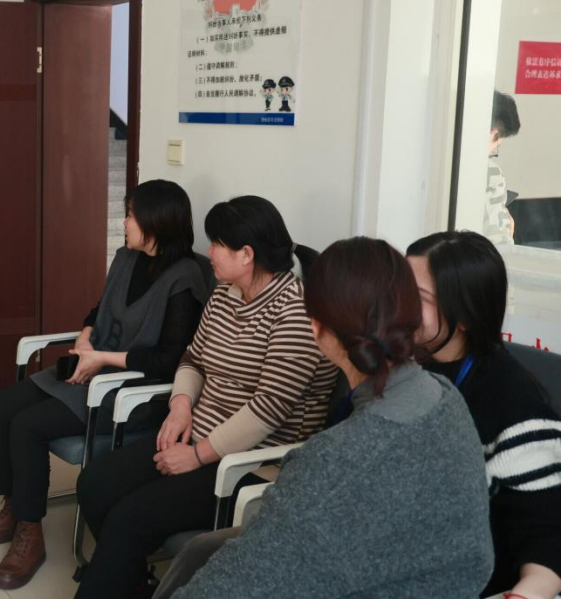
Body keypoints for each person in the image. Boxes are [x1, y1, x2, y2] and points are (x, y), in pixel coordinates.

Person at [172, 237, 494, 598]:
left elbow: (231, 586)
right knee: (200, 551)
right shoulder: (445, 398)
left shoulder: (336, 461)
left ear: (316, 327)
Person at [74, 196, 336, 598]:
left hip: (250, 462)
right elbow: (192, 358)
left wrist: (197, 456)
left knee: (129, 518)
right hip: (195, 434)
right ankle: (133, 581)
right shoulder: (225, 294)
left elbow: (268, 410)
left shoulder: (295, 312)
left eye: (216, 244)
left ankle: (119, 577)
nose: (208, 252)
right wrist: (181, 404)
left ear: (246, 254)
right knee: (95, 482)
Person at [0, 180, 212, 590]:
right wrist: (85, 339)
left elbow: (170, 360)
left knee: (27, 425)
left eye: (131, 215)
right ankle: (13, 506)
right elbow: (100, 310)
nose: (125, 222)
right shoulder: (126, 258)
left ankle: (30, 531)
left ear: (156, 221)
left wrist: (102, 359)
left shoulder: (184, 278)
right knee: (1, 407)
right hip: (93, 369)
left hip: (133, 392)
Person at [409, 231, 561, 599]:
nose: (400, 306)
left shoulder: (514, 404)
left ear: (464, 315)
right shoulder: (407, 369)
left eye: (418, 298)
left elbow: (547, 539)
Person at [484, 90, 521, 244]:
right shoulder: (489, 172)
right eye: (497, 144)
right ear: (495, 132)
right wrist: (506, 228)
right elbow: (496, 243)